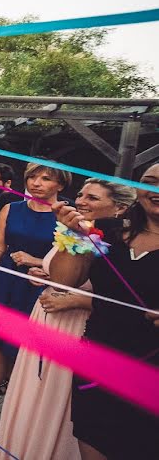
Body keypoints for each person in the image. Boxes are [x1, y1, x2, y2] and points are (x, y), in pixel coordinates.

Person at [0, 179, 136, 460]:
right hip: (47, 319)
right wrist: (45, 272)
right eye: (81, 195)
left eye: (93, 198)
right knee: (35, 391)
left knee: (58, 400)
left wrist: (76, 299)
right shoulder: (77, 233)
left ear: (119, 207)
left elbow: (125, 302)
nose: (81, 201)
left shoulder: (120, 245)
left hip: (77, 325)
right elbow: (65, 278)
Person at [46, 163, 159, 460]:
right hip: (98, 357)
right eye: (150, 182)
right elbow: (63, 281)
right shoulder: (108, 232)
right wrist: (74, 236)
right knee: (94, 438)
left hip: (151, 366)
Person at [0, 163, 71, 422]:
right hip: (5, 280)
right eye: (32, 177)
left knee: (28, 345)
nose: (36, 183)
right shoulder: (11, 208)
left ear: (60, 185)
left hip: (38, 285)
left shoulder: (66, 216)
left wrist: (38, 262)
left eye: (45, 178)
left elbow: (73, 262)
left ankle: (20, 406)